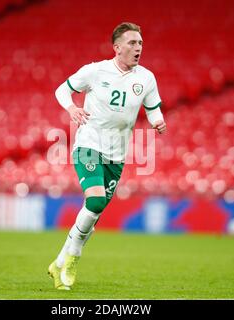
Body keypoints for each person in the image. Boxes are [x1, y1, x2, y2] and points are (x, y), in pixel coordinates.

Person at [49, 22, 167, 290]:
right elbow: (62, 89)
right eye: (132, 43)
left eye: (140, 44)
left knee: (96, 210)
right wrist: (71, 108)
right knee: (96, 200)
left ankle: (58, 262)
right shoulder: (95, 71)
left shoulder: (146, 78)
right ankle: (73, 257)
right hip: (89, 144)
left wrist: (158, 122)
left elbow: (153, 108)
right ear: (117, 48)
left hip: (117, 154)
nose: (138, 48)